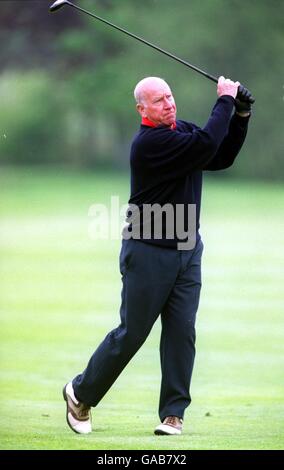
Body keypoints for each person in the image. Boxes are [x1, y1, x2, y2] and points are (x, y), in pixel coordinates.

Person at [63, 76, 252, 436]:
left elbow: (220, 154)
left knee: (182, 332)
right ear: (142, 109)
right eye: (159, 100)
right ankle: (80, 392)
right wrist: (226, 100)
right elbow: (207, 141)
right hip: (148, 251)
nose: (168, 104)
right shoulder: (150, 144)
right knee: (132, 334)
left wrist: (241, 115)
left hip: (186, 250)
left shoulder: (183, 132)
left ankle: (173, 413)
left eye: (169, 96)